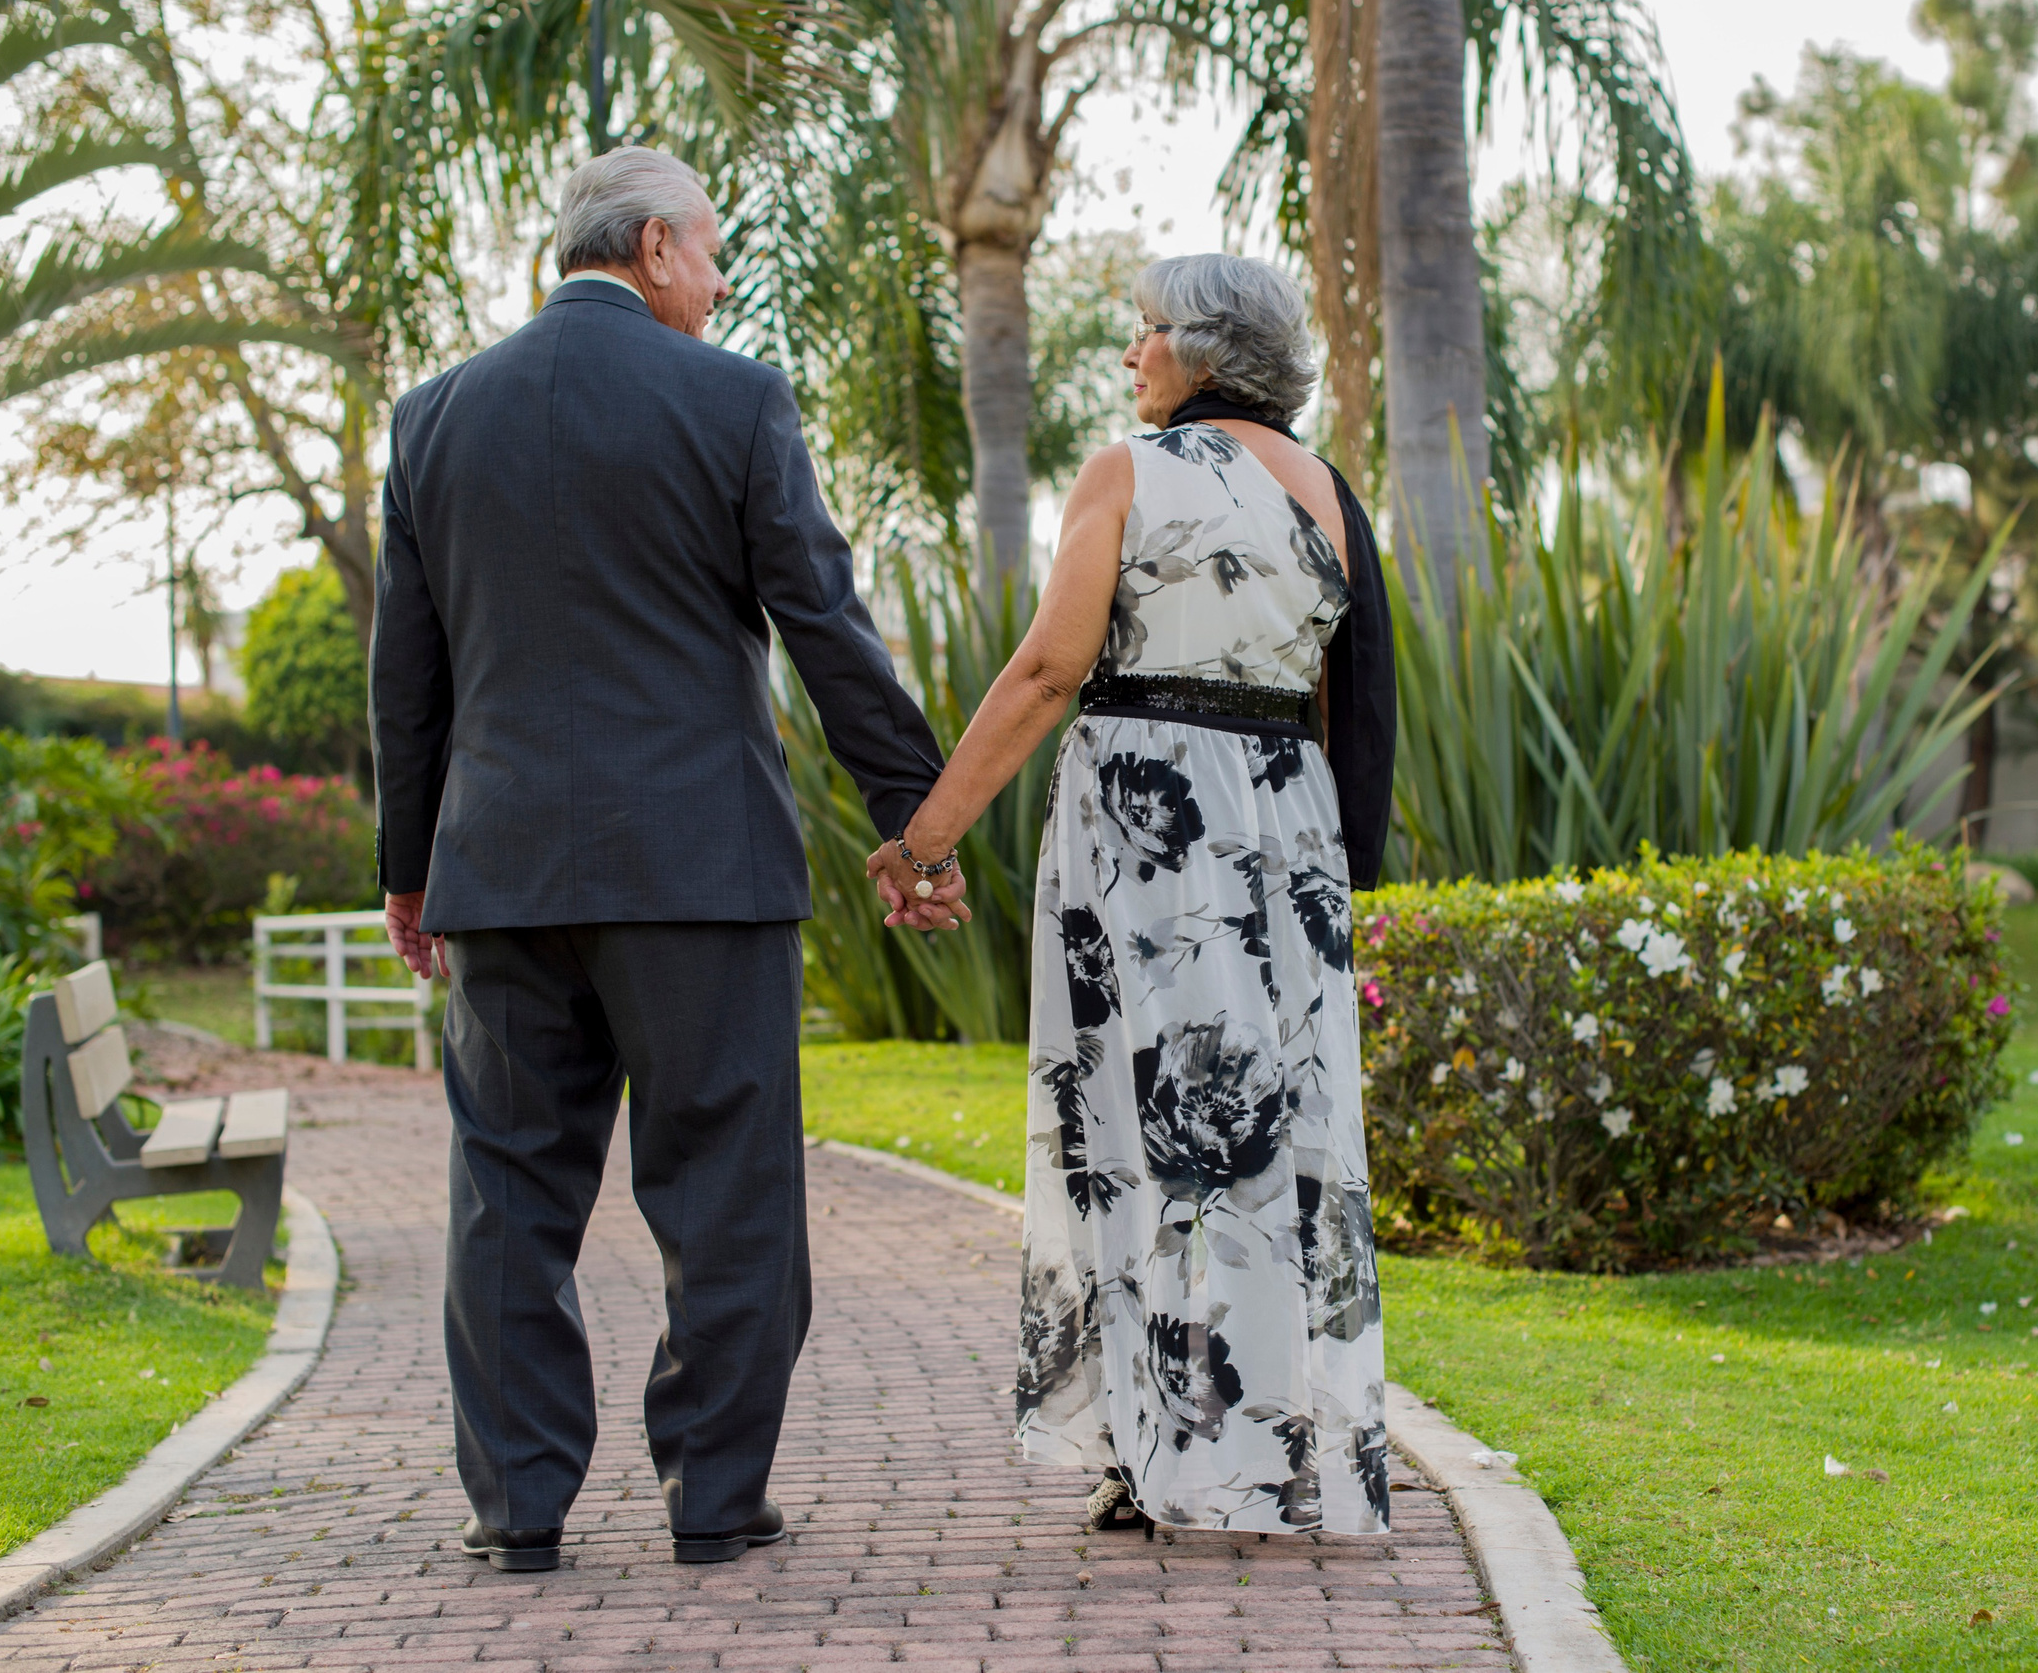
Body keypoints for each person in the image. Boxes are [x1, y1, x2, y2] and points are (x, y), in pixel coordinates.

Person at [368, 145, 968, 1574]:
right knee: (728, 1194)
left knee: (508, 1192)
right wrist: (917, 818)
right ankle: (715, 1497)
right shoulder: (736, 399)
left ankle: (517, 1510)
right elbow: (826, 625)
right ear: (649, 248)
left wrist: (409, 868)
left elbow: (408, 675)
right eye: (708, 251)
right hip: (701, 876)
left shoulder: (434, 416)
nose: (717, 278)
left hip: (501, 874)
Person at [870, 252, 1398, 1537]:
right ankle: (1261, 1449)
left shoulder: (1127, 471)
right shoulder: (1330, 493)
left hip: (1148, 825)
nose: (1130, 357)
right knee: (1267, 1139)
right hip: (1285, 829)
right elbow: (1357, 701)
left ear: (1203, 350)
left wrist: (926, 836)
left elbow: (1052, 667)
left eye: (1145, 332)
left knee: (1134, 1120)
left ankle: (1152, 1444)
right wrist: (1337, 878)